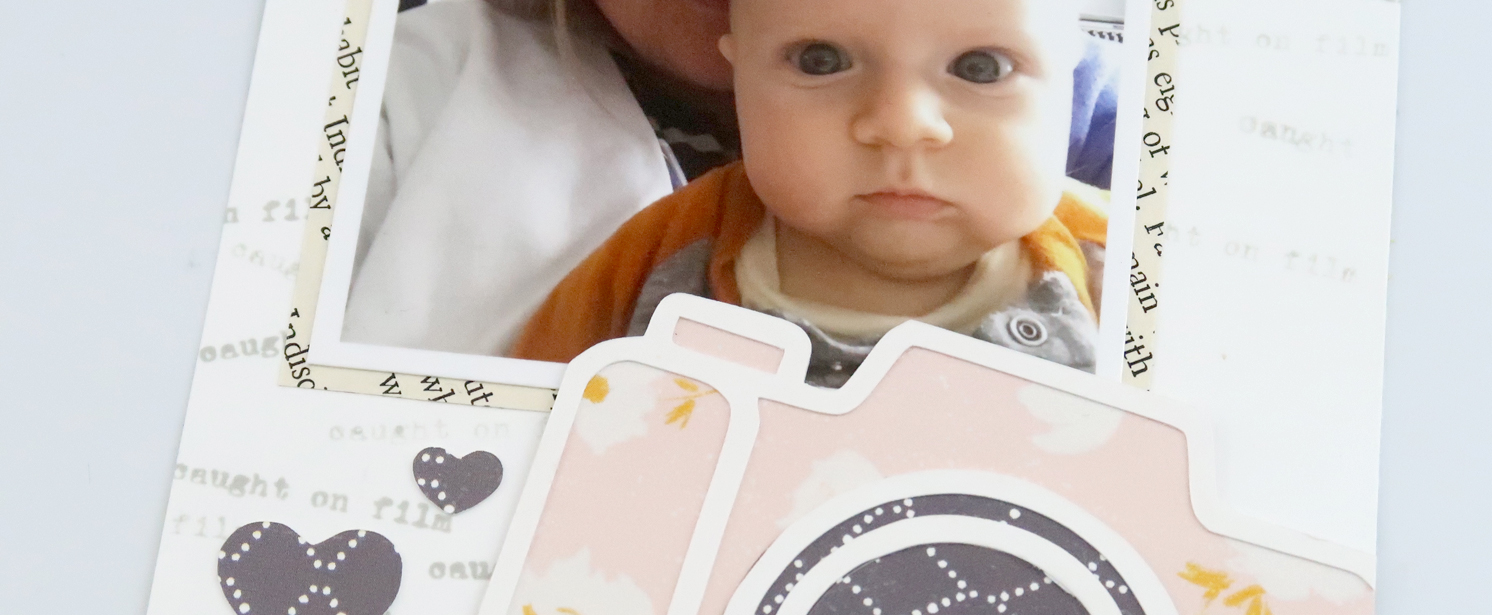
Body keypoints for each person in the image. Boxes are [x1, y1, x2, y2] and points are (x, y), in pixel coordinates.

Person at [345, 0, 1120, 360]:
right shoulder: (368, 88)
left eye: (979, 67)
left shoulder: (1133, 134)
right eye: (819, 60)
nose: (903, 125)